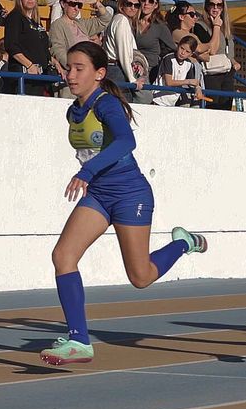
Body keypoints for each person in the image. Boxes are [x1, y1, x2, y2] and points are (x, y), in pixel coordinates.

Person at [41, 43, 209, 365]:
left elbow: (126, 141)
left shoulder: (105, 104)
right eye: (68, 67)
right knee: (63, 256)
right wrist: (91, 175)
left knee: (140, 277)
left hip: (130, 194)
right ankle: (79, 341)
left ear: (99, 74)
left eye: (79, 68)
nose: (70, 74)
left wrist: (86, 172)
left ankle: (183, 243)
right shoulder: (73, 110)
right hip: (99, 195)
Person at [2, 0, 56, 94]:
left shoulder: (36, 21)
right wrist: (29, 65)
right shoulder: (15, 17)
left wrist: (55, 63)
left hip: (39, 76)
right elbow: (11, 46)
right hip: (23, 75)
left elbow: (43, 48)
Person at [191, 0, 240, 110]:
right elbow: (212, 50)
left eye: (219, 5)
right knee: (213, 108)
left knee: (226, 108)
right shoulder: (200, 26)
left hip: (227, 72)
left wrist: (234, 63)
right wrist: (216, 26)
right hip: (211, 72)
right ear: (206, 6)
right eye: (212, 4)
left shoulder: (226, 27)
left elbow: (228, 52)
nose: (215, 8)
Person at [49, 0, 102, 96]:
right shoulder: (58, 25)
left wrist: (96, 2)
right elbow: (58, 50)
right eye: (73, 4)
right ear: (63, 4)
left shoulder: (81, 23)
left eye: (79, 4)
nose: (76, 8)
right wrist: (76, 69)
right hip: (71, 77)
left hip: (87, 76)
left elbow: (105, 19)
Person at [133, 0, 176, 96]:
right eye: (143, 0)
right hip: (131, 65)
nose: (146, 4)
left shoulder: (160, 26)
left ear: (156, 5)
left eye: (151, 1)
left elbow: (173, 48)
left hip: (150, 70)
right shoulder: (131, 21)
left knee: (145, 98)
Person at [105, 0, 143, 96]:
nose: (133, 8)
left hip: (115, 68)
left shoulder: (120, 19)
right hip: (116, 69)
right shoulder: (122, 20)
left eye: (136, 5)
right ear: (122, 5)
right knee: (123, 103)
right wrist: (132, 79)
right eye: (129, 4)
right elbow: (124, 52)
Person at [154, 34, 208, 107]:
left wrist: (198, 88)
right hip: (158, 100)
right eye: (182, 48)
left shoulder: (189, 64)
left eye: (187, 51)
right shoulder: (168, 59)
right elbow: (169, 82)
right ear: (178, 46)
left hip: (172, 102)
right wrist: (188, 81)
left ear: (191, 54)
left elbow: (193, 82)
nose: (183, 53)